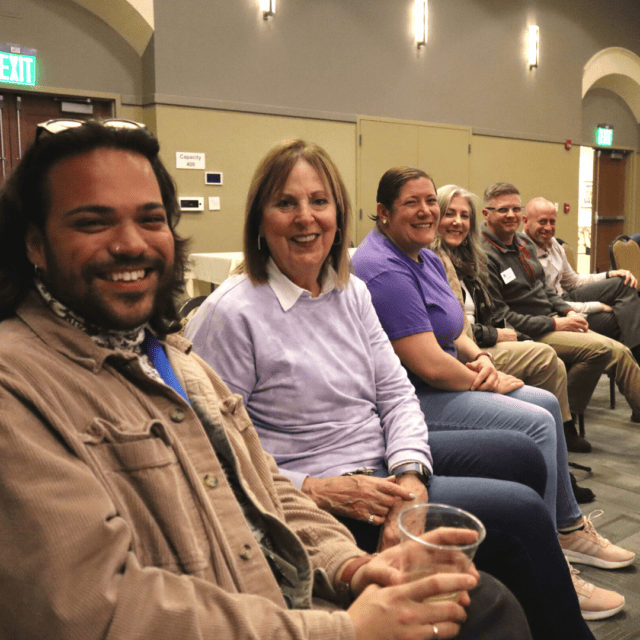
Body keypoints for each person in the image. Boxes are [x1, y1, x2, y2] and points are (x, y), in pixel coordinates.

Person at [0, 121, 528, 640]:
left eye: (151, 218)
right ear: (33, 243)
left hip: (287, 574)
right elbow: (95, 609)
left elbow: (256, 482)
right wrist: (344, 628)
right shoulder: (20, 386)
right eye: (93, 222)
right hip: (259, 605)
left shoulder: (170, 358)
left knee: (485, 597)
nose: (130, 243)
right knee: (490, 599)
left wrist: (348, 567)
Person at [187, 139, 608, 638]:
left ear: (339, 213)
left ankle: (511, 582)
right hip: (325, 490)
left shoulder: (350, 291)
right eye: (286, 203)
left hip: (383, 462)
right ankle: (535, 593)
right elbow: (213, 456)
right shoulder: (231, 314)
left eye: (319, 202)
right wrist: (314, 489)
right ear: (259, 218)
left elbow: (395, 395)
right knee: (522, 515)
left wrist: (411, 474)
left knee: (522, 455)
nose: (306, 218)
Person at [349, 166, 633, 617]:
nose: (427, 211)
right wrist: (487, 377)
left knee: (540, 400)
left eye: (430, 202)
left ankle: (568, 528)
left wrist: (477, 358)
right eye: (412, 203)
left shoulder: (421, 255)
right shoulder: (382, 267)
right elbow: (427, 363)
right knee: (538, 419)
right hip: (415, 397)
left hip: (447, 374)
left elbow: (454, 329)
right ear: (383, 213)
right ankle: (553, 561)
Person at [435, 184, 590, 454]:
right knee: (547, 356)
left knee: (565, 359)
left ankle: (555, 439)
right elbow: (455, 329)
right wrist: (499, 335)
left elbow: (546, 290)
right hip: (472, 347)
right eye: (450, 214)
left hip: (503, 332)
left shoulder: (466, 256)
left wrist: (568, 311)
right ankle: (551, 442)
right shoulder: (437, 259)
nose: (458, 222)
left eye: (463, 216)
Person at [480, 183, 640, 425]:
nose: (510, 214)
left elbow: (548, 288)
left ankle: (568, 416)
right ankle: (562, 419)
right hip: (530, 330)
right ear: (487, 214)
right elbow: (501, 317)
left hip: (554, 316)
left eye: (515, 208)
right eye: (503, 209)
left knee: (620, 348)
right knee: (603, 347)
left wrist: (568, 310)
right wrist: (557, 321)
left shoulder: (523, 244)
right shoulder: (484, 254)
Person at [523, 196, 640, 365]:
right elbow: (549, 303)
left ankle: (630, 364)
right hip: (556, 313)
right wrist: (598, 307)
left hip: (567, 298)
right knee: (623, 318)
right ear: (525, 221)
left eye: (552, 222)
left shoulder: (554, 244)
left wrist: (610, 275)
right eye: (542, 222)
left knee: (623, 283)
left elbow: (573, 281)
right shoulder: (521, 254)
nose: (548, 228)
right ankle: (632, 364)